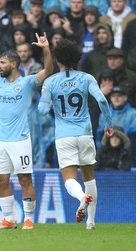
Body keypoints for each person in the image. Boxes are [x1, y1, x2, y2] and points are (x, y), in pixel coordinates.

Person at [0, 30, 53, 230]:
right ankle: (9, 218)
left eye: (2, 63)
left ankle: (29, 219)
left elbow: (48, 70)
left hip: (20, 140)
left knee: (24, 179)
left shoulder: (27, 82)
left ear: (13, 64)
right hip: (0, 141)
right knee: (0, 179)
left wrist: (46, 49)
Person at [38, 38, 114, 230]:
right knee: (90, 178)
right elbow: (102, 100)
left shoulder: (50, 82)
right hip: (85, 134)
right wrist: (108, 123)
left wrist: (47, 99)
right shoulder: (87, 78)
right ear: (76, 58)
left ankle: (81, 198)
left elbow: (42, 111)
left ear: (57, 60)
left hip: (64, 136)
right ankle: (91, 222)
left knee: (69, 179)